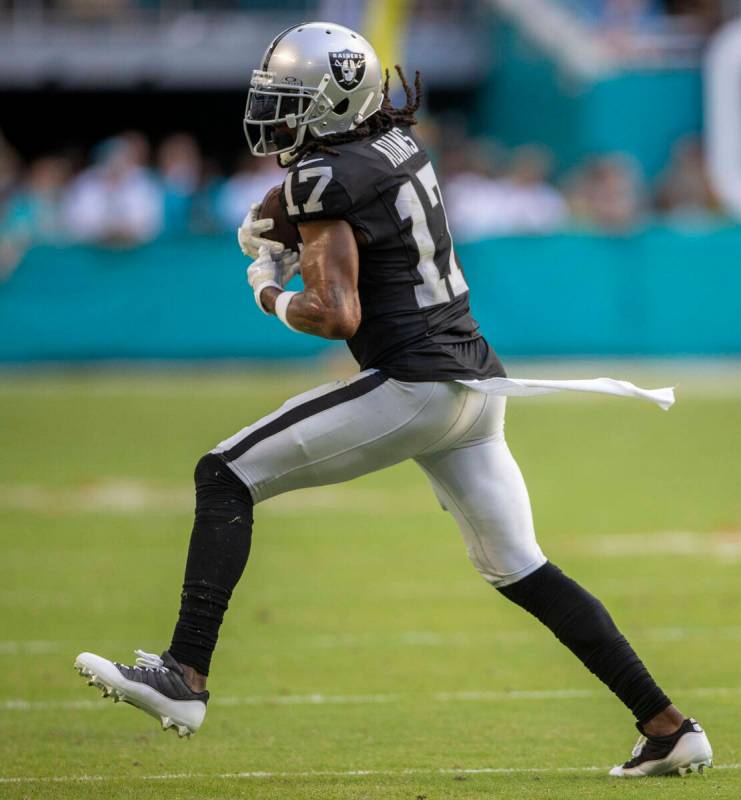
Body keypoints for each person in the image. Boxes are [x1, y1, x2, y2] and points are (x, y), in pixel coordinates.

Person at [75, 22, 712, 779]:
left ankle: (184, 675)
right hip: (475, 382)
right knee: (521, 567)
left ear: (331, 102)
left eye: (291, 101)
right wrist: (286, 216)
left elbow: (334, 313)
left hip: (416, 386)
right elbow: (353, 197)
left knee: (224, 473)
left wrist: (268, 287)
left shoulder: (323, 177)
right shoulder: (395, 143)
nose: (275, 116)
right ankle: (669, 728)